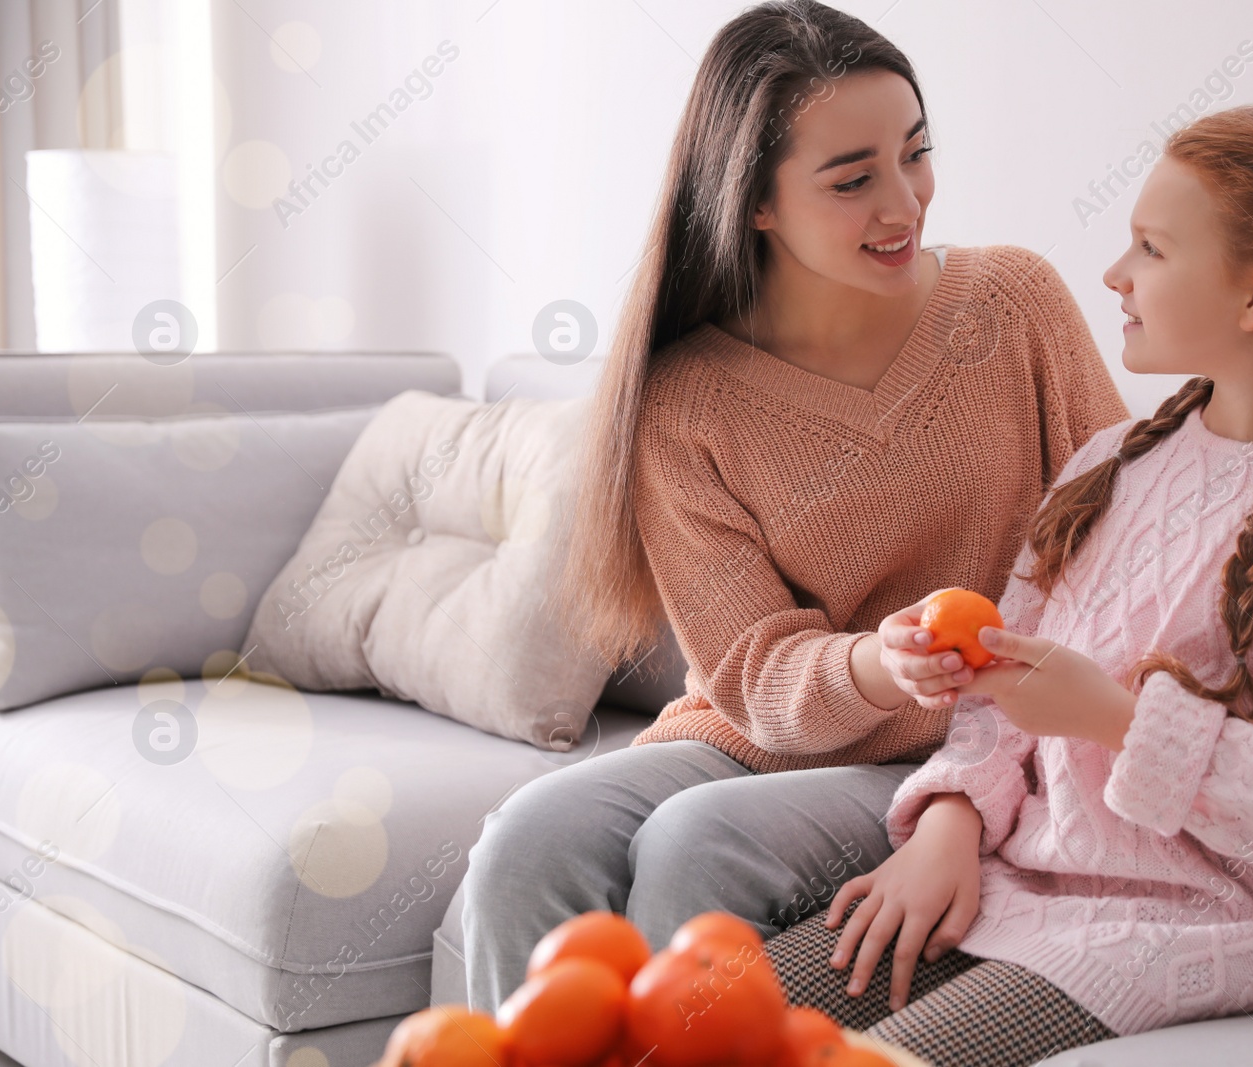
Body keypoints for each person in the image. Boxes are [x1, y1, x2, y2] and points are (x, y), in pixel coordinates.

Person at [765, 103, 1253, 1066]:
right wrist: (949, 824)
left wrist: (1117, 719)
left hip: (1202, 926)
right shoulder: (1115, 462)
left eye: (1151, 248)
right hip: (1021, 881)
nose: (1114, 273)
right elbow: (995, 695)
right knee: (702, 1018)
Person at [461, 0, 1129, 1008]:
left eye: (915, 153)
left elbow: (1126, 551)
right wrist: (880, 659)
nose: (903, 202)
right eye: (853, 179)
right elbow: (749, 670)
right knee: (525, 840)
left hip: (970, 741)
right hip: (760, 731)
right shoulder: (682, 400)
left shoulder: (1015, 305)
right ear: (756, 202)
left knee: (697, 844)